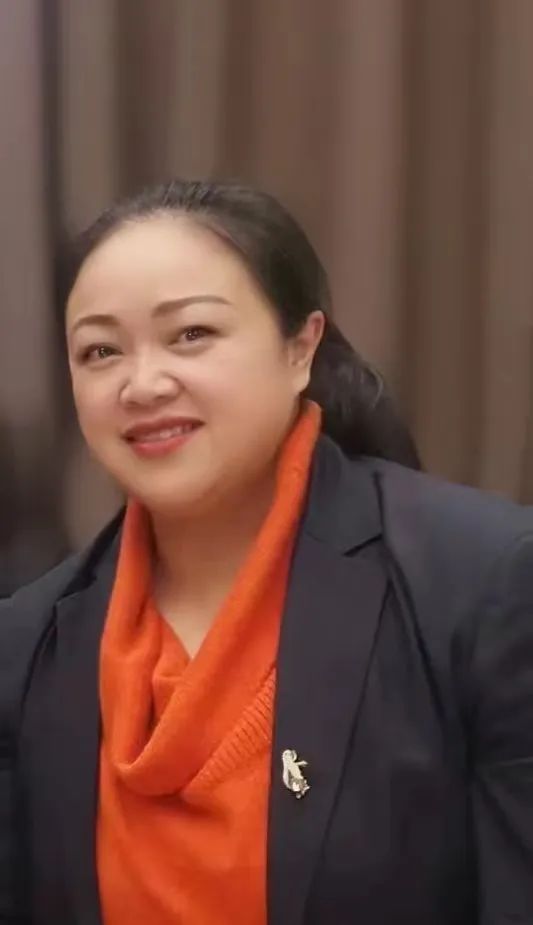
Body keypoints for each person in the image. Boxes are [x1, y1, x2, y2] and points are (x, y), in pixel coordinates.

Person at [1, 179, 532, 925]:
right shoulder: (27, 645)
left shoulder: (482, 582)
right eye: (100, 351)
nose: (142, 384)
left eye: (192, 334)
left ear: (300, 347)